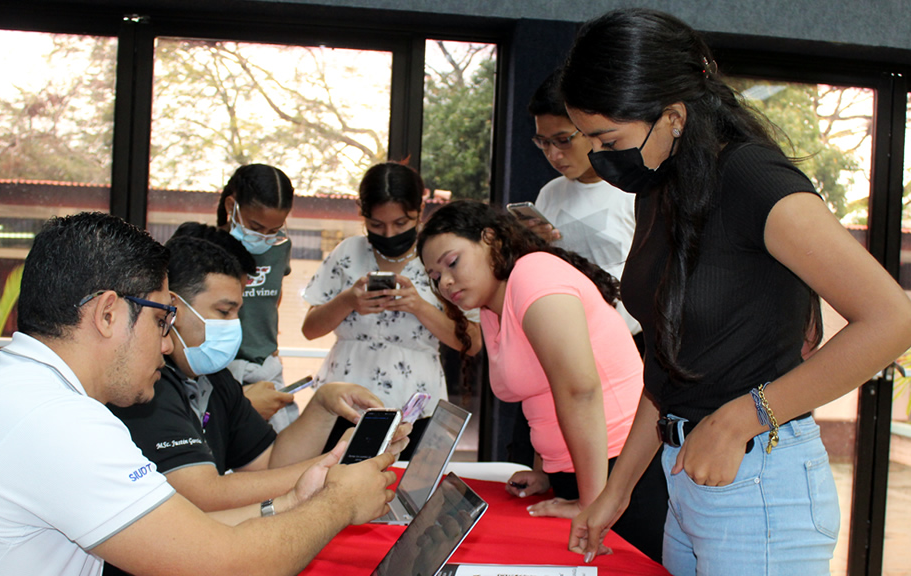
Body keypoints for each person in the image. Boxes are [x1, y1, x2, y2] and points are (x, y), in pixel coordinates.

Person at [558, 8, 911, 575]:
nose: (599, 156)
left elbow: (894, 321)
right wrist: (618, 489)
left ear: (673, 115)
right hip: (688, 477)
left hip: (759, 483)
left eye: (608, 138)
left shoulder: (752, 178)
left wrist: (743, 418)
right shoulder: (661, 185)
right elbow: (668, 361)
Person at [0, 212, 396, 576]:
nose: (167, 344)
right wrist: (337, 505)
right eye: (162, 319)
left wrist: (296, 502)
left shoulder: (14, 388)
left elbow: (185, 534)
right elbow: (225, 566)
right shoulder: (57, 422)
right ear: (107, 314)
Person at [417, 200, 668, 562]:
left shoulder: (535, 274)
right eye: (435, 277)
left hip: (623, 473)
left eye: (452, 262)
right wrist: (546, 473)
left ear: (491, 240)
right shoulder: (491, 308)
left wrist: (592, 500)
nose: (446, 282)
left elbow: (579, 391)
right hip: (583, 473)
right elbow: (541, 397)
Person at [301, 162, 482, 431]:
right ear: (361, 214)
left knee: (404, 473)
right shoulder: (348, 253)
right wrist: (348, 301)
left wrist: (419, 307)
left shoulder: (439, 257)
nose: (389, 234)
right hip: (344, 403)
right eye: (376, 224)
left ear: (420, 209)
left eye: (401, 223)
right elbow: (310, 329)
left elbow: (472, 342)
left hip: (415, 405)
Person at [526, 70, 643, 350]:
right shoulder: (550, 193)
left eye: (564, 140)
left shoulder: (634, 190)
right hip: (566, 342)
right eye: (543, 142)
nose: (554, 154)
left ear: (591, 129)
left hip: (629, 343)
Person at [216, 164, 297, 431]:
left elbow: (273, 298)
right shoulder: (207, 247)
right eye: (256, 226)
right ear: (232, 206)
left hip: (264, 365)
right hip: (219, 367)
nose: (264, 237)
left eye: (274, 229)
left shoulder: (280, 248)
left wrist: (267, 343)